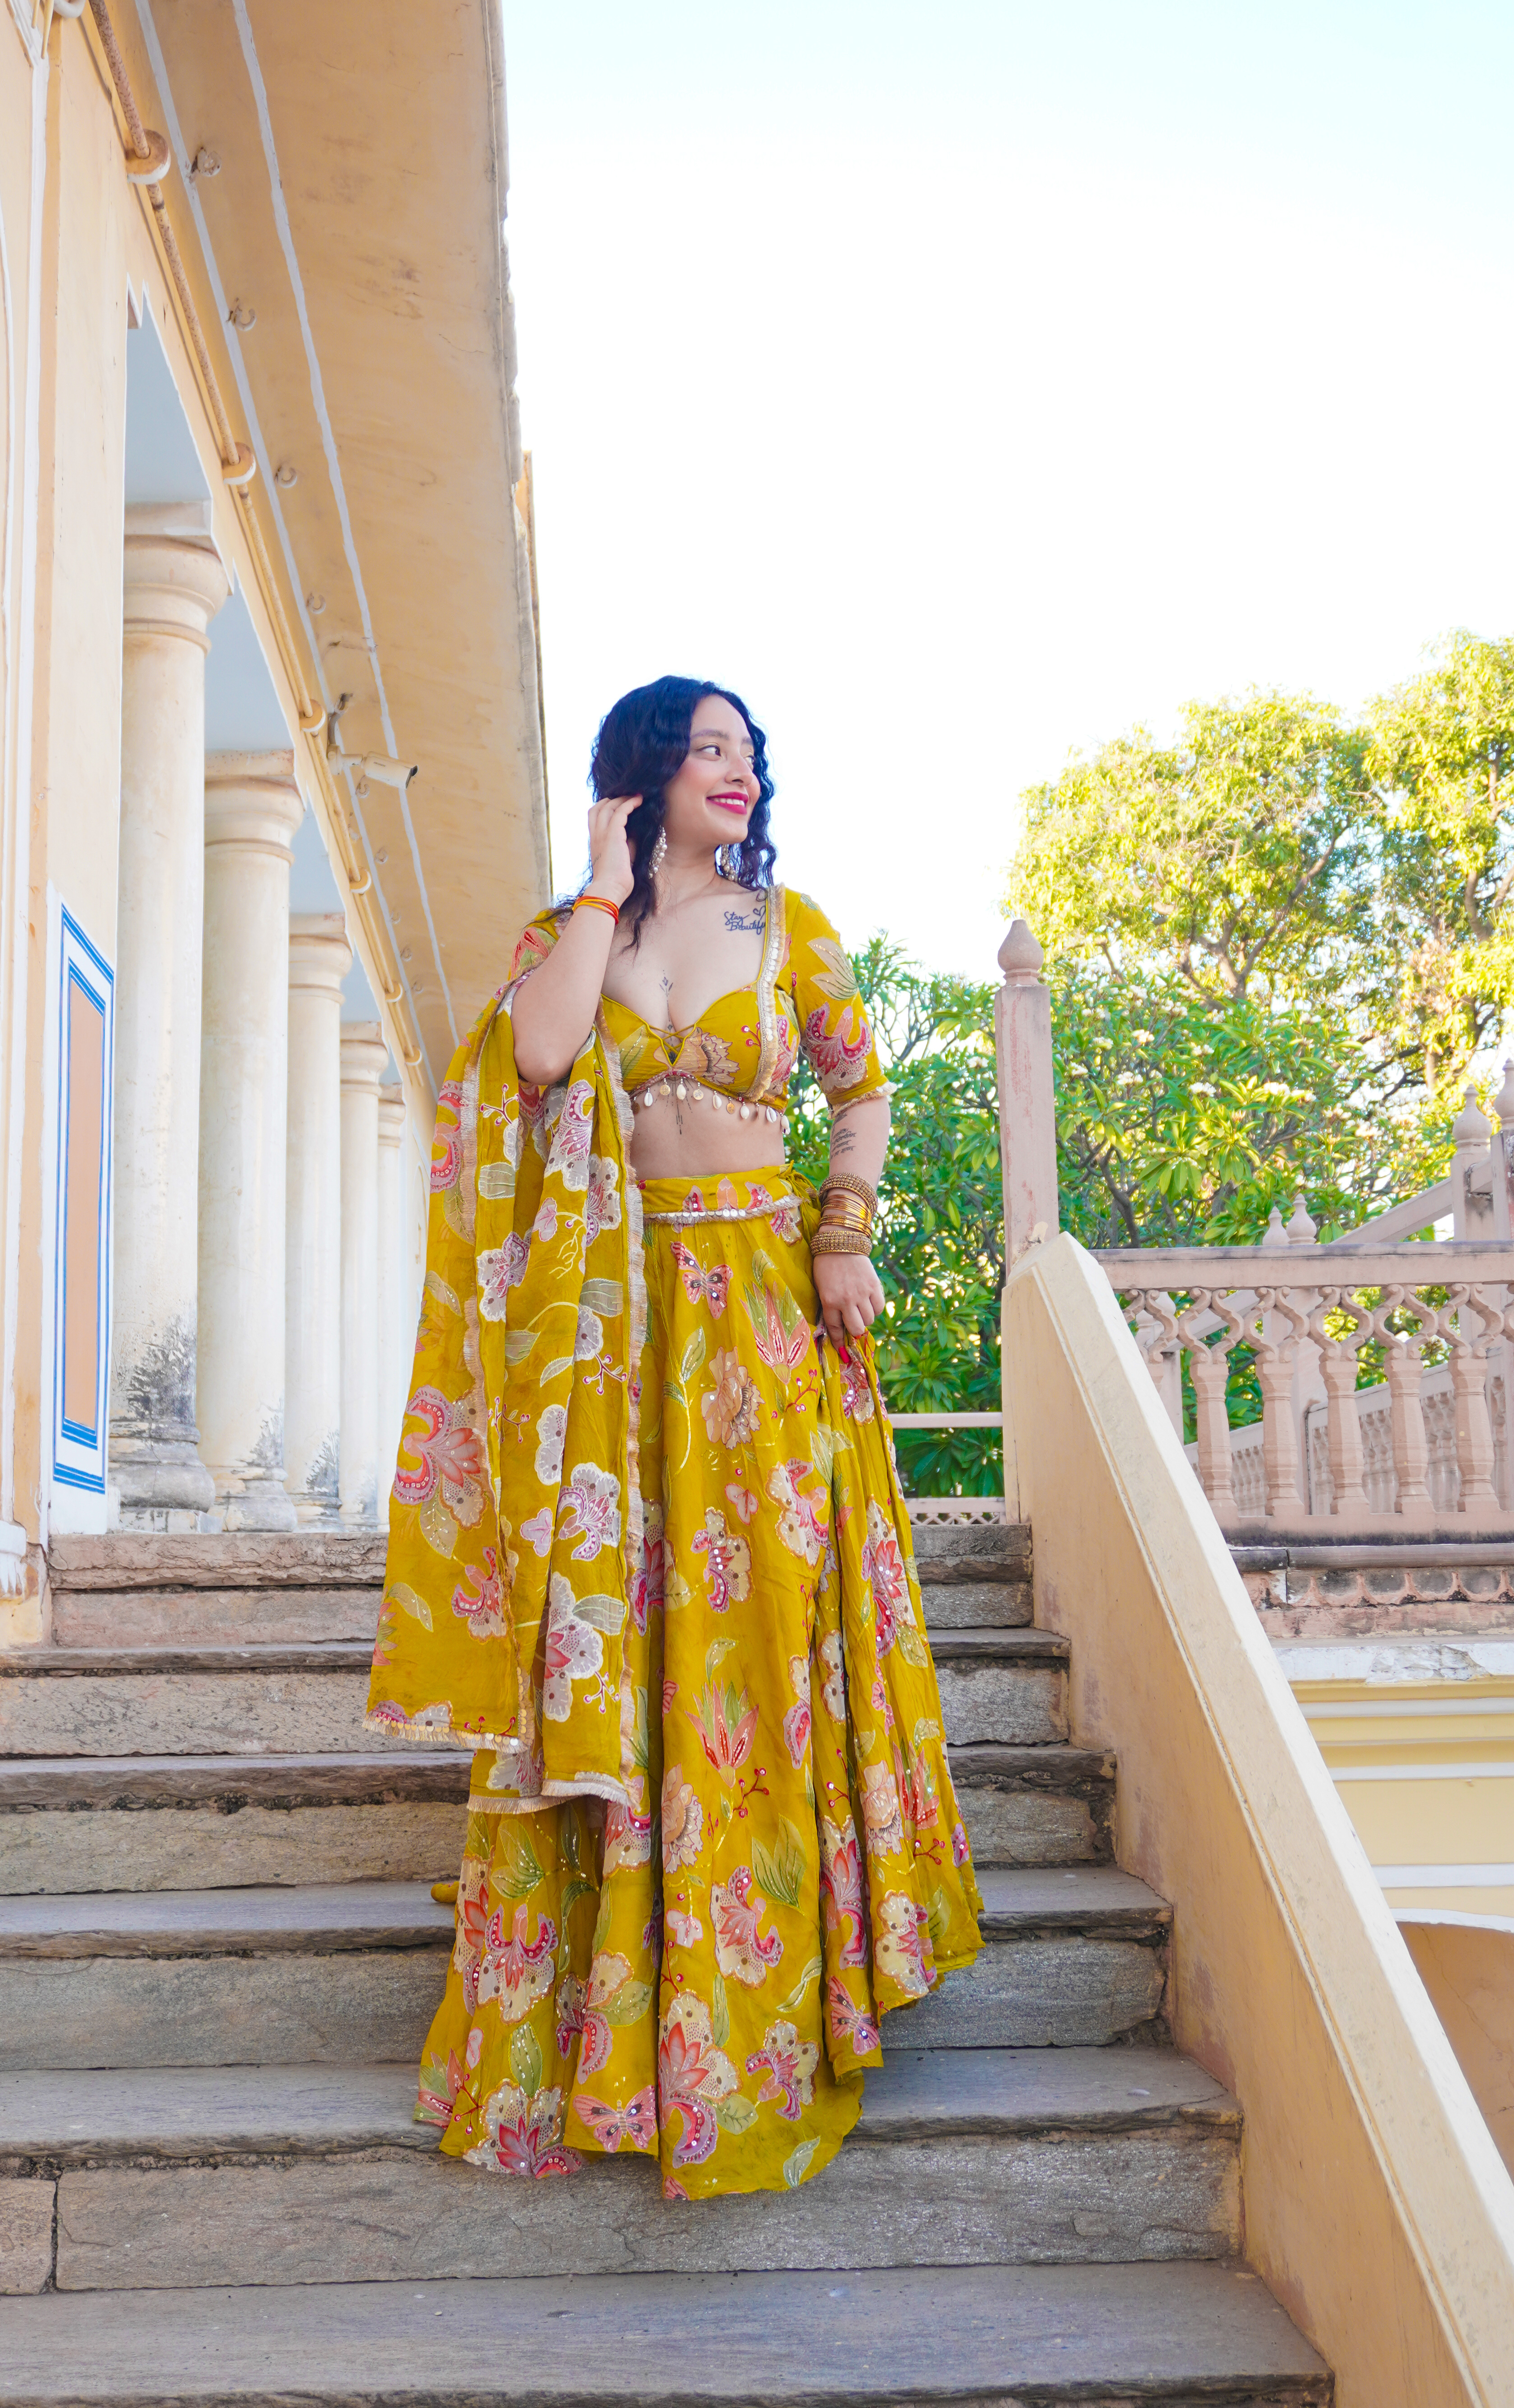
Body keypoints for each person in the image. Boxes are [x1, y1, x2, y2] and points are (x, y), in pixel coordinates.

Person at [366, 674, 983, 2198]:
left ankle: (777, 1985)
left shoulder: (791, 933)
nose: (742, 776)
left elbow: (863, 1092)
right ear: (644, 770)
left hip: (766, 1308)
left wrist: (845, 1235)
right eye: (710, 751)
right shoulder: (578, 935)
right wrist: (598, 881)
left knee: (762, 1626)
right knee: (634, 1634)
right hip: (623, 1335)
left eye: (750, 756)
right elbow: (533, 1063)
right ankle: (621, 2009)